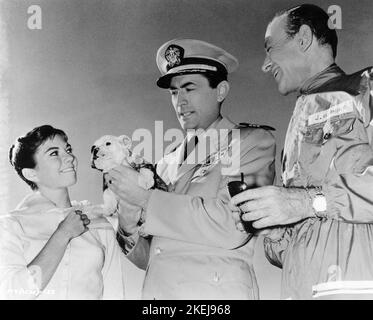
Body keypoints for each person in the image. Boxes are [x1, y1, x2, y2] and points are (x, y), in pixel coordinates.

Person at [106, 39, 276, 299]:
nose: (180, 102)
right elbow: (153, 257)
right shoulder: (165, 164)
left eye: (189, 88)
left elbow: (234, 225)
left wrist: (145, 199)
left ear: (220, 91)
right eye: (174, 92)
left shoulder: (251, 142)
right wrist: (128, 225)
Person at [231, 4, 373, 299]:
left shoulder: (364, 87)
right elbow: (309, 239)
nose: (265, 64)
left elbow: (313, 205)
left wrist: (306, 203)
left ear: (304, 38)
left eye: (270, 48)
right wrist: (275, 231)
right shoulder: (300, 115)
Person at [1, 125, 125, 300]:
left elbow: (115, 293)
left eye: (67, 150)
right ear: (31, 173)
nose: (70, 157)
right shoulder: (11, 226)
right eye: (54, 153)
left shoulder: (99, 224)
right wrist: (62, 234)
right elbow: (11, 294)